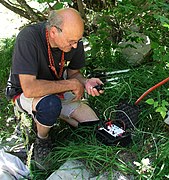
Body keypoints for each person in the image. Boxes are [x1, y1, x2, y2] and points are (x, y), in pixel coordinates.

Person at [6, 8, 103, 169]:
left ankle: (58, 117)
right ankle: (42, 140)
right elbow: (29, 88)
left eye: (77, 41)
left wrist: (85, 82)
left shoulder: (74, 41)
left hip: (57, 88)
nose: (74, 46)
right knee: (50, 105)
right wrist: (70, 85)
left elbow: (74, 74)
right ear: (53, 32)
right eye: (71, 41)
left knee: (93, 125)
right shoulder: (29, 38)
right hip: (24, 92)